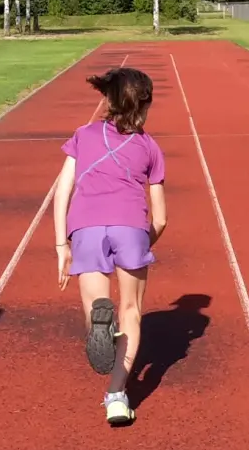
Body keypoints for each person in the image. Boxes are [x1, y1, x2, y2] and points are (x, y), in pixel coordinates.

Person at [52, 67, 167, 427]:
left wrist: (61, 244)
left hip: (85, 227)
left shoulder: (83, 135)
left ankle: (99, 325)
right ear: (145, 105)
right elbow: (161, 218)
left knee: (95, 307)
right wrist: (142, 242)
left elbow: (62, 190)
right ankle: (117, 395)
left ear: (109, 99)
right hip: (131, 226)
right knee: (131, 310)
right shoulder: (150, 147)